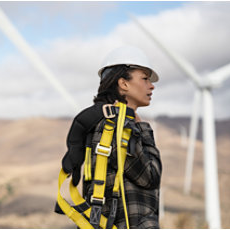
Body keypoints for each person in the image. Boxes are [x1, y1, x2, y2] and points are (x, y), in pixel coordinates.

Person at [58, 46, 162, 229]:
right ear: (123, 84)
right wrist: (144, 129)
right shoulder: (118, 127)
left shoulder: (106, 123)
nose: (151, 85)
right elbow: (151, 176)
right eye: (145, 78)